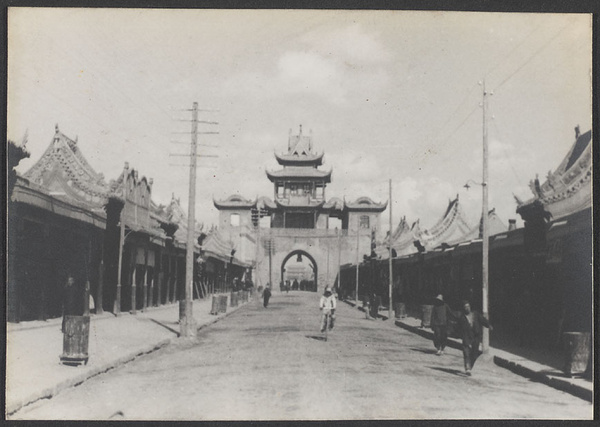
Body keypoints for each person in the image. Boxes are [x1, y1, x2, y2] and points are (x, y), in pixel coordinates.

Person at [458, 300, 492, 376]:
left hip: (475, 336)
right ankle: (467, 368)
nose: (467, 308)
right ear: (463, 308)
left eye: (468, 306)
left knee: (474, 354)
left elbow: (482, 320)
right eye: (465, 307)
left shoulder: (475, 314)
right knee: (466, 353)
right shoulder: (462, 317)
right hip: (466, 336)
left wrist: (488, 325)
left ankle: (470, 366)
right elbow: (458, 327)